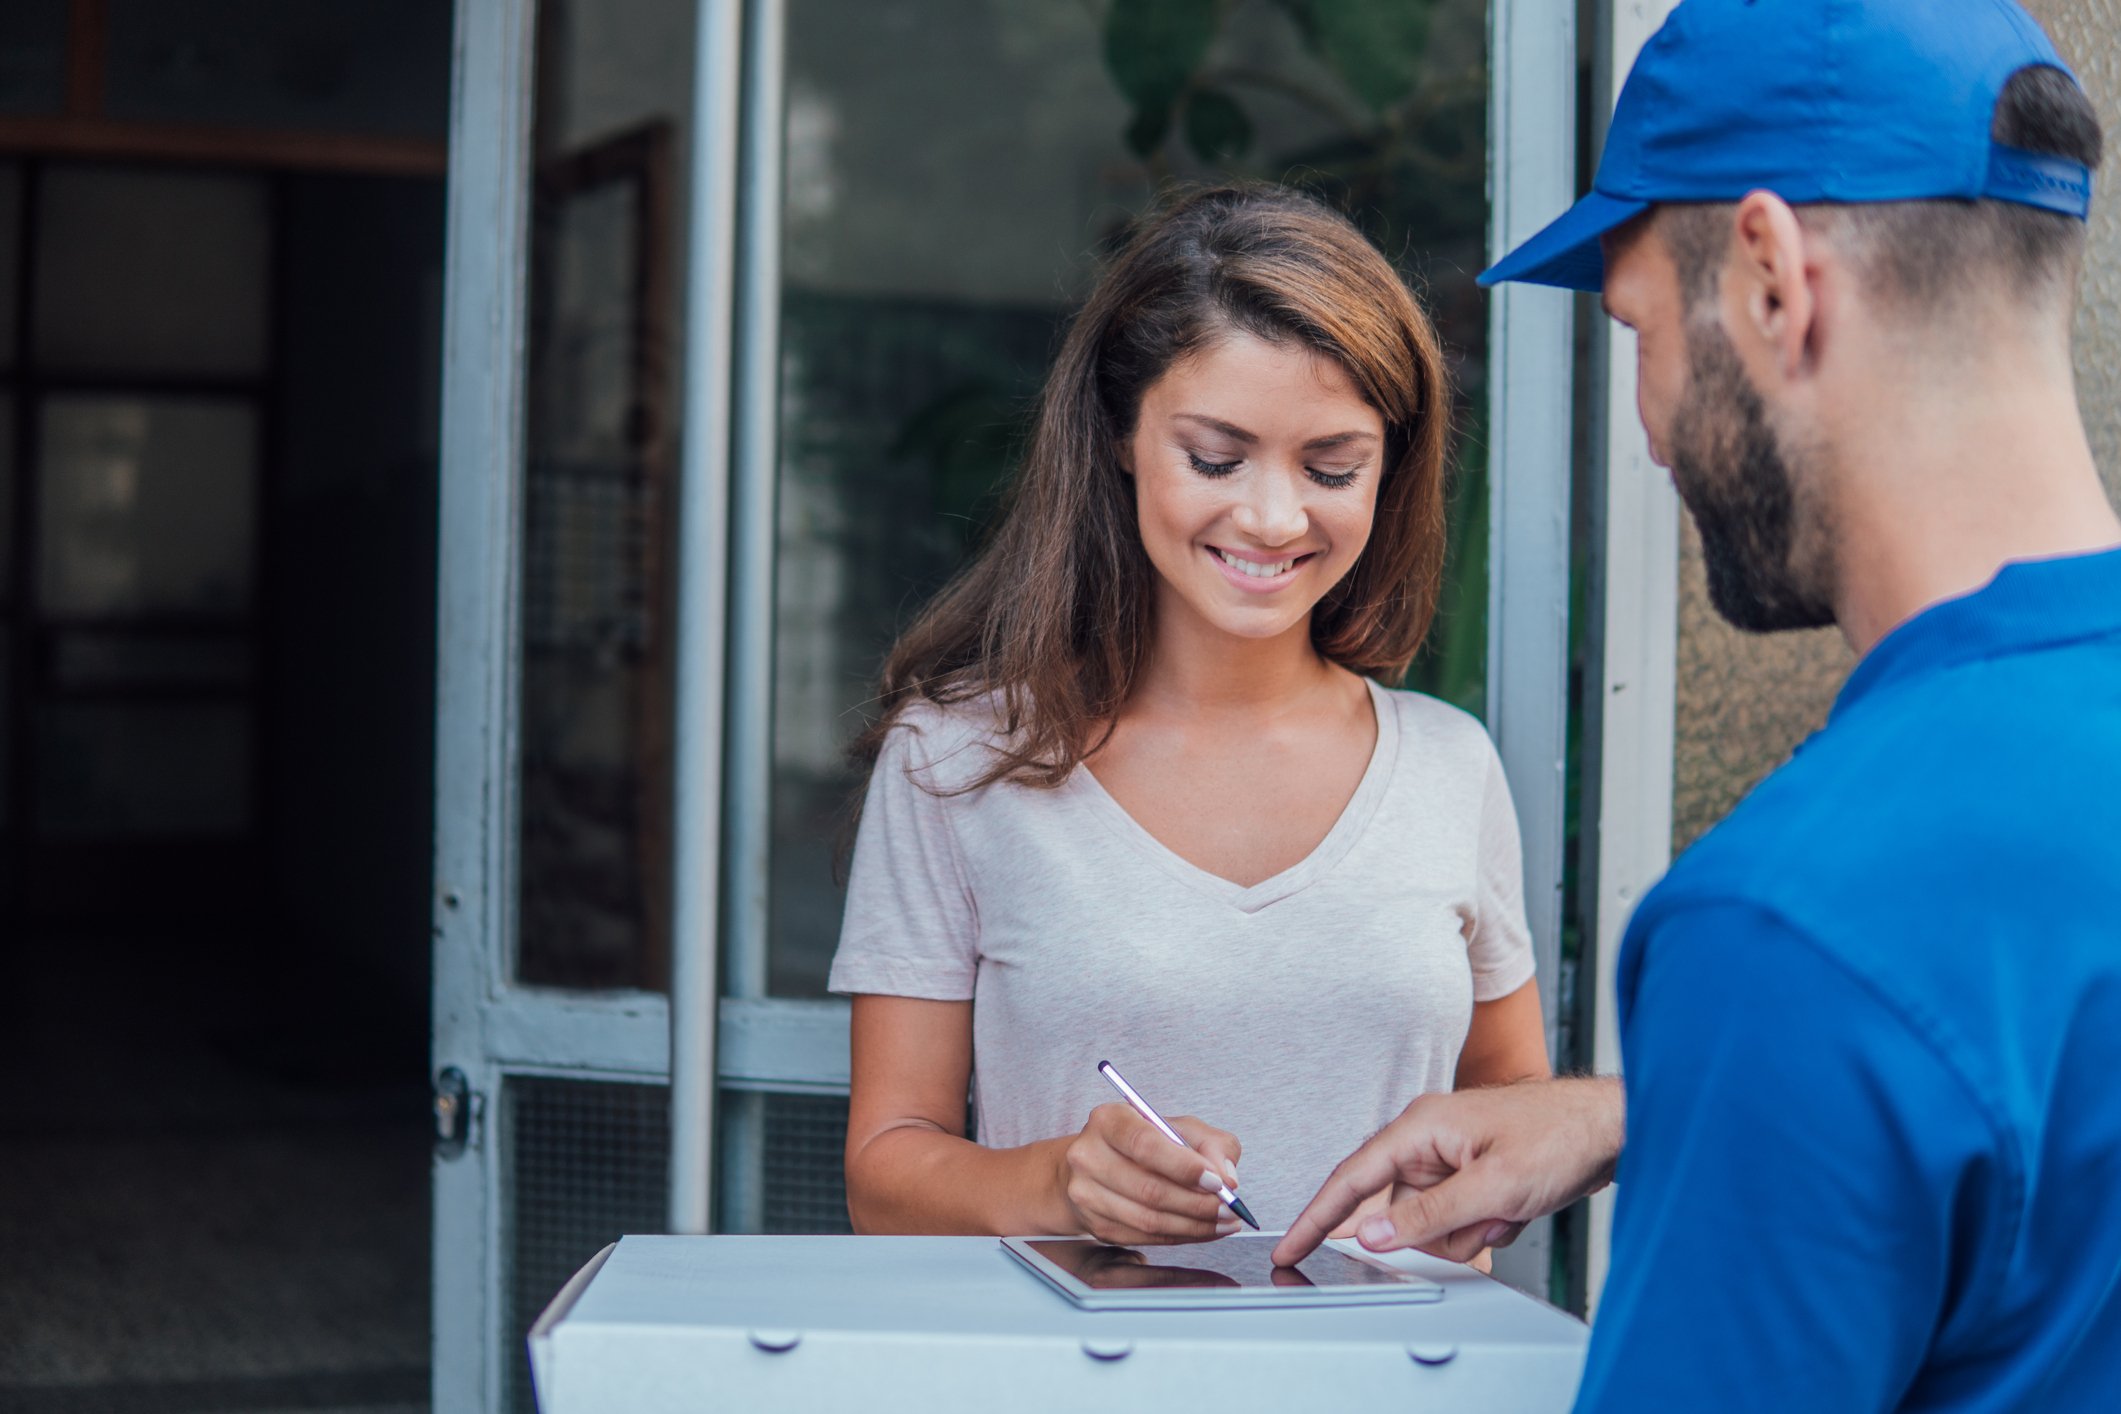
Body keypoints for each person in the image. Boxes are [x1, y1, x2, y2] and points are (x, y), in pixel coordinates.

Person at [1275, 0, 2121, 1407]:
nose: (1650, 426)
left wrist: (1754, 1071)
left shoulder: (1800, 921)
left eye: (1637, 329)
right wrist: (1656, 1114)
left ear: (1771, 278)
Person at [828, 185, 1551, 1246]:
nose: (1271, 515)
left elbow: (1514, 1118)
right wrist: (1063, 1184)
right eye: (1216, 457)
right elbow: (884, 1172)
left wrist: (1469, 1202)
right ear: (1119, 436)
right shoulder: (957, 759)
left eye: (1332, 466)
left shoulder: (1453, 767)